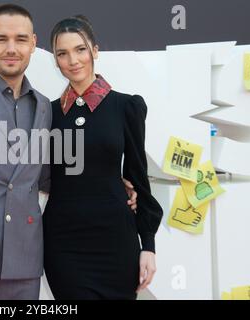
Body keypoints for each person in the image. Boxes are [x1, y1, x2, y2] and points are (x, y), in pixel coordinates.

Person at [0, 4, 137, 300]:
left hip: (23, 269)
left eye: (20, 39)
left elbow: (47, 176)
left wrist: (105, 180)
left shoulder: (45, 107)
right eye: (1, 39)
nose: (11, 48)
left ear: (33, 44)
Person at [43, 15, 164, 300]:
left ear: (95, 51)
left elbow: (138, 176)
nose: (73, 60)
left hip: (116, 243)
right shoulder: (46, 114)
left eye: (80, 49)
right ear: (56, 60)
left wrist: (148, 245)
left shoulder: (126, 107)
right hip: (64, 245)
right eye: (63, 53)